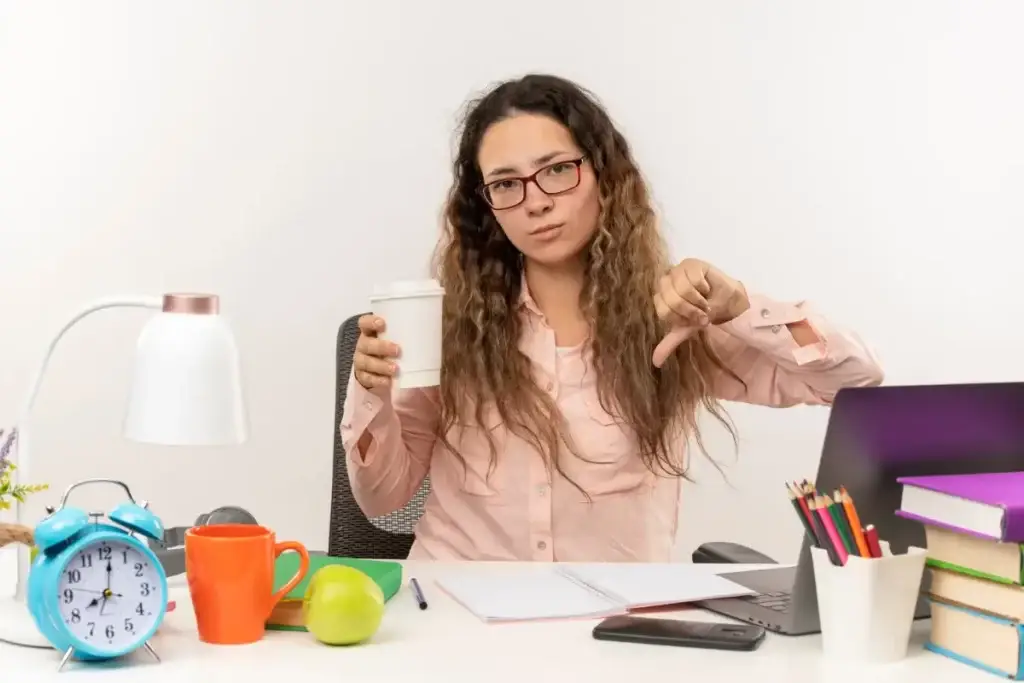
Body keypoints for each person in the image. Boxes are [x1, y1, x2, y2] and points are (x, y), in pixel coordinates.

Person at [340, 73, 883, 562]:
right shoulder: (451, 327)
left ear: (604, 175)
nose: (536, 202)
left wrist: (741, 306)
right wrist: (372, 392)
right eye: (506, 184)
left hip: (606, 624)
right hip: (456, 613)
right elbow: (383, 499)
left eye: (556, 171)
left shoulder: (676, 315)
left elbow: (852, 381)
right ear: (486, 205)